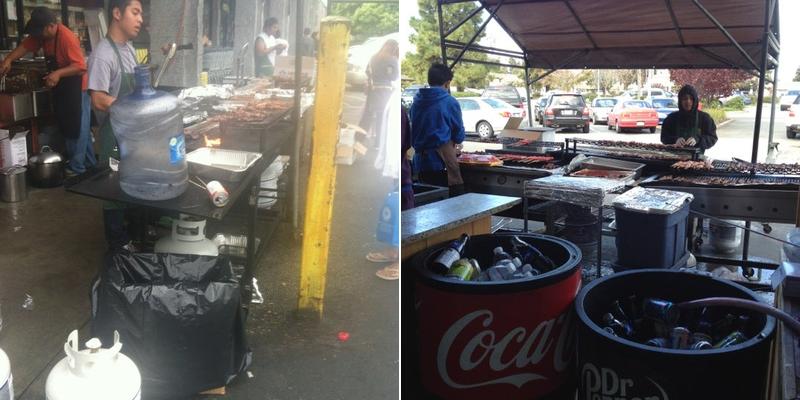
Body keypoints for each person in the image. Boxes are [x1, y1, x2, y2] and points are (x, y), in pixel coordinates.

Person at [1, 7, 94, 176]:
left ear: (51, 26)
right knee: (77, 127)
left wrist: (58, 73)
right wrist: (8, 59)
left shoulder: (66, 38)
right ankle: (89, 165)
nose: (37, 36)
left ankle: (77, 168)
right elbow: (24, 46)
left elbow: (81, 67)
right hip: (64, 87)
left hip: (78, 88)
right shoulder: (42, 37)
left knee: (77, 128)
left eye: (39, 31)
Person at [87, 0, 143, 251]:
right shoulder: (103, 54)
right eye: (135, 12)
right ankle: (118, 245)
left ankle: (133, 236)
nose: (140, 19)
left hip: (132, 132)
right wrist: (127, 105)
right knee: (113, 191)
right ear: (117, 13)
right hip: (114, 135)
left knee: (132, 184)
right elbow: (98, 99)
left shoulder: (128, 49)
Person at [409, 63, 465, 197]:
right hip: (441, 163)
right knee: (448, 206)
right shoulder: (449, 101)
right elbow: (458, 135)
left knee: (427, 202)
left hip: (420, 163)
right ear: (447, 83)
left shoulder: (416, 102)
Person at [366, 39, 399, 155]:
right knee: (382, 118)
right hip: (385, 92)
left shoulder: (373, 57)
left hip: (372, 89)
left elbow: (367, 72)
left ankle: (358, 140)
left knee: (368, 115)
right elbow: (394, 76)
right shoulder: (392, 59)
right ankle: (378, 143)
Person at [661, 84, 718, 151]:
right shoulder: (671, 119)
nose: (688, 101)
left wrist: (698, 139)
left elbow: (712, 137)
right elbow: (664, 137)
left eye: (691, 98)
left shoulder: (705, 118)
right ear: (680, 101)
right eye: (685, 98)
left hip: (696, 159)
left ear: (695, 100)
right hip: (674, 157)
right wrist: (675, 140)